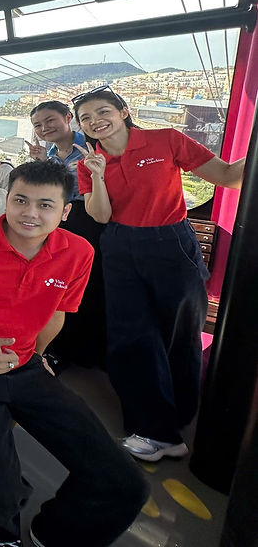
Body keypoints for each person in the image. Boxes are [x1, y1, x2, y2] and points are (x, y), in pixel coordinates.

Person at [0, 160, 148, 547]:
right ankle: (4, 534)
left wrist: (36, 355)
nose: (29, 213)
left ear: (65, 212)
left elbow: (57, 313)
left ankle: (51, 532)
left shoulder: (78, 252)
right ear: (5, 200)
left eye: (45, 205)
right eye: (20, 200)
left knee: (125, 484)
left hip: (25, 365)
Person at [74, 85, 245, 461]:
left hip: (171, 242)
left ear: (123, 110)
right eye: (86, 118)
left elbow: (229, 176)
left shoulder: (165, 140)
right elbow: (100, 215)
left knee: (181, 331)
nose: (95, 122)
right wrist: (98, 175)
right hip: (119, 245)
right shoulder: (87, 164)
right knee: (131, 337)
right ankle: (155, 431)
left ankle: (179, 417)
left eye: (103, 111)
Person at [28, 100, 106, 368]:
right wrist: (40, 163)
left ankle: (88, 353)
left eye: (50, 120)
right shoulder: (49, 155)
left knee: (90, 287)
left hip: (90, 220)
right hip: (60, 222)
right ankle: (60, 348)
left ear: (68, 118)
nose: (44, 128)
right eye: (38, 125)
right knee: (61, 288)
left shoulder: (92, 146)